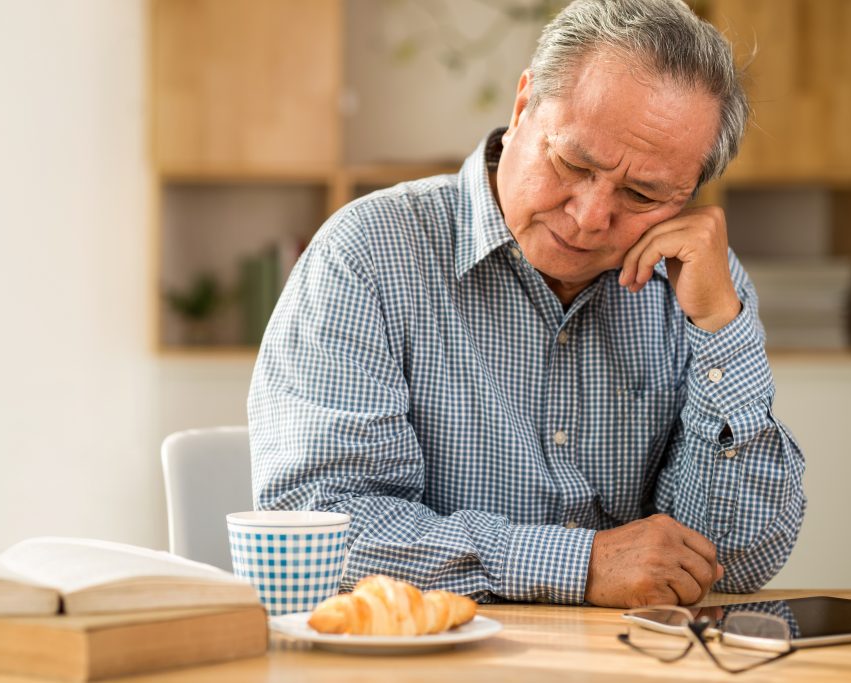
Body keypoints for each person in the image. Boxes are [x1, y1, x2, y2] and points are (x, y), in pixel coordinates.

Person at [247, 0, 805, 608]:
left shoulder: (700, 284)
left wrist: (722, 329)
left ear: (688, 196)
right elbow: (320, 527)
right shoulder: (366, 254)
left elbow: (735, 561)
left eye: (643, 195)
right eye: (574, 163)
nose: (590, 217)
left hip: (630, 655)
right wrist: (578, 565)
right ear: (522, 107)